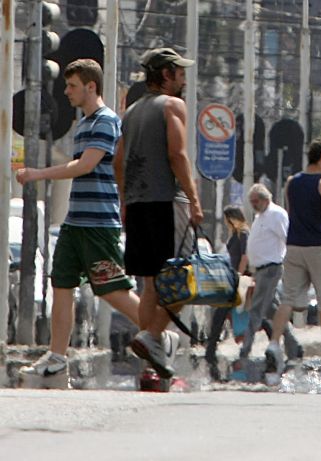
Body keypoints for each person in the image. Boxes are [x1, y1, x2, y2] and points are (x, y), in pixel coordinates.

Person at [15, 59, 144, 379]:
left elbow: (85, 166)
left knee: (111, 289)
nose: (66, 91)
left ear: (91, 86)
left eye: (72, 86)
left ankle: (157, 333)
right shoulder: (83, 124)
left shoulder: (105, 121)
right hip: (76, 221)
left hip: (99, 222)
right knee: (61, 283)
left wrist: (38, 174)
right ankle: (58, 356)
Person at [113, 48, 203, 379]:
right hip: (168, 202)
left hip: (138, 205)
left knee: (151, 283)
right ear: (165, 74)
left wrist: (125, 200)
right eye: (180, 72)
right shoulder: (172, 106)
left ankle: (148, 361)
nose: (184, 79)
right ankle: (152, 337)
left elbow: (118, 162)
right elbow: (177, 154)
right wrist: (194, 199)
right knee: (182, 280)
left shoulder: (131, 112)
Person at [265, 140, 321, 384]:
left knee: (287, 298)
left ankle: (274, 344)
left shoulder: (291, 182)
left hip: (294, 246)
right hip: (318, 247)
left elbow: (292, 211)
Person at [239, 184, 302, 362]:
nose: (253, 205)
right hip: (260, 270)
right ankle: (293, 345)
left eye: (255, 201)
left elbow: (286, 238)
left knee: (256, 309)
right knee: (272, 310)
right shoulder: (261, 216)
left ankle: (246, 347)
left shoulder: (276, 214)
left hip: (271, 268)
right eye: (251, 202)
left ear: (266, 199)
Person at [204, 205, 250, 373]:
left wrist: (238, 274)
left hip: (238, 279)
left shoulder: (243, 233)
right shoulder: (236, 234)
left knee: (223, 313)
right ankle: (210, 349)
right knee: (225, 313)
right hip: (232, 277)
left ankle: (210, 351)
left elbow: (245, 256)